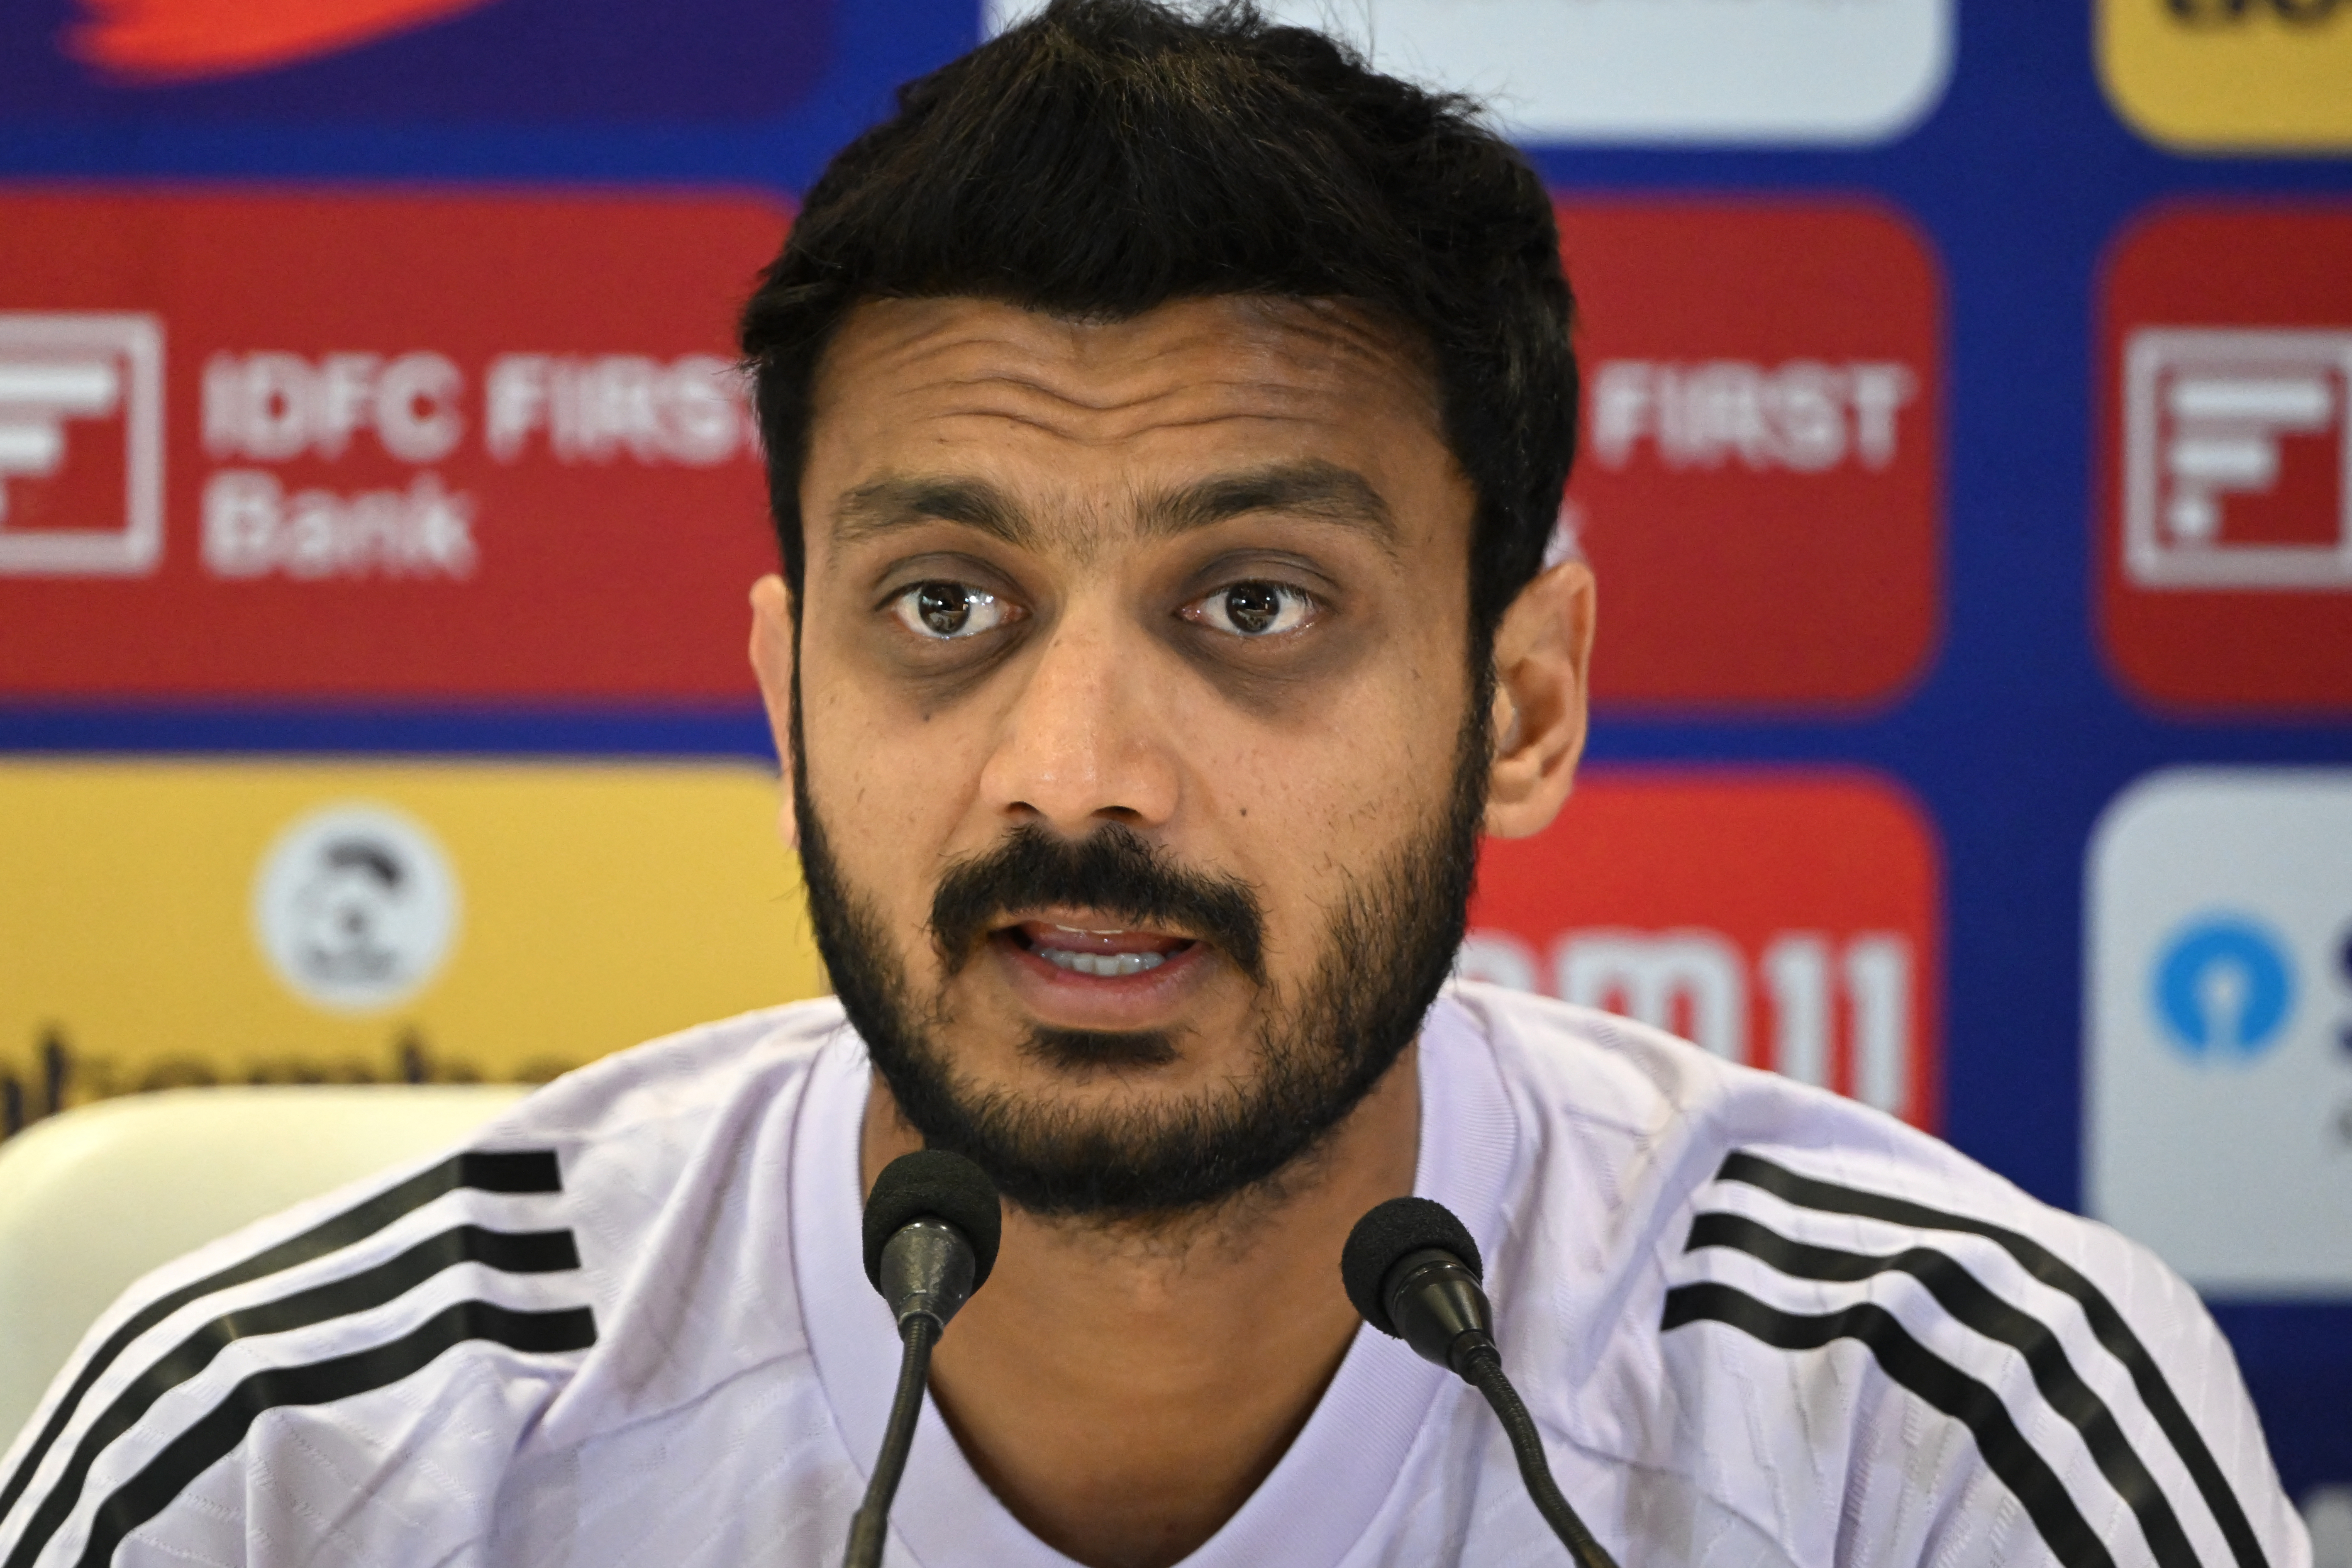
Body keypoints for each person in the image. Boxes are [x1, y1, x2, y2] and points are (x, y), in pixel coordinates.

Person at [0, 3, 2309, 1566]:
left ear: (1518, 703)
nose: (1076, 772)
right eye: (939, 608)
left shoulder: (1941, 1439)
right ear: (786, 693)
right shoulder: (291, 1465)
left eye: (1254, 607)